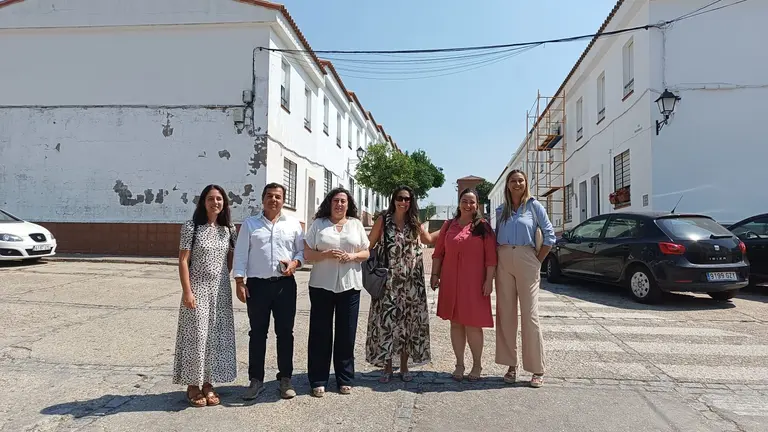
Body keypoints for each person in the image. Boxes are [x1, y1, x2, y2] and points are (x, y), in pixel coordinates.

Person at [233, 183, 305, 400]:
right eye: (270, 196)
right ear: (262, 199)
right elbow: (241, 254)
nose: (274, 200)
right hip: (257, 286)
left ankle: (285, 379)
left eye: (278, 196)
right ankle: (256, 380)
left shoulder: (293, 224)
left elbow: (302, 252)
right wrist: (239, 281)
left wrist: (295, 263)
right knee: (257, 334)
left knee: (285, 333)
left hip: (285, 286)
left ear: (283, 200)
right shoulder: (250, 224)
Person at [173, 184, 238, 407]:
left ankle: (208, 383)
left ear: (224, 203)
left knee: (215, 336)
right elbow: (182, 261)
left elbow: (231, 257)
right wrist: (187, 291)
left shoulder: (228, 229)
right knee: (196, 337)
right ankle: (193, 385)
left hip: (220, 291)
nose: (215, 203)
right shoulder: (192, 227)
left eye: (219, 199)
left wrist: (225, 278)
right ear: (203, 202)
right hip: (197, 289)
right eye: (211, 199)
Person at [303, 187, 370, 397]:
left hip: (349, 286)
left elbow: (366, 251)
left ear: (348, 204)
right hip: (321, 285)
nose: (339, 204)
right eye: (335, 201)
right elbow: (306, 253)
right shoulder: (319, 225)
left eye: (343, 201)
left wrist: (352, 257)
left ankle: (345, 378)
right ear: (329, 204)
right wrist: (325, 254)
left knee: (346, 334)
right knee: (320, 333)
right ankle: (318, 378)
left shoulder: (356, 224)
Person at [494, 169, 556, 388]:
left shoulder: (534, 206)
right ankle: (510, 365)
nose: (517, 184)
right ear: (507, 185)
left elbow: (550, 235)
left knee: (530, 315)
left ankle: (537, 368)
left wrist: (537, 260)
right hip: (503, 260)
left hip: (526, 257)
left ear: (525, 183)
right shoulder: (501, 210)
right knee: (506, 314)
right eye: (513, 181)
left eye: (520, 180)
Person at [366, 185, 433, 383]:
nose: (403, 202)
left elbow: (428, 239)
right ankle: (387, 367)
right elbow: (368, 245)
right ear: (393, 199)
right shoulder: (383, 221)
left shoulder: (414, 222)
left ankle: (404, 367)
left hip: (412, 283)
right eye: (400, 198)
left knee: (408, 324)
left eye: (407, 199)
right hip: (389, 282)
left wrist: (450, 227)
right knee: (387, 323)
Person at [431, 188, 497, 382]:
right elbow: (438, 252)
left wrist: (489, 280)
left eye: (472, 202)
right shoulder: (448, 225)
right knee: (456, 323)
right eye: (465, 201)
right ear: (459, 203)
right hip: (451, 280)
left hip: (474, 282)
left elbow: (491, 258)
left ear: (477, 205)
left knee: (473, 325)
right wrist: (435, 275)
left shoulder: (483, 227)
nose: (468, 205)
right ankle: (459, 364)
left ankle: (477, 364)